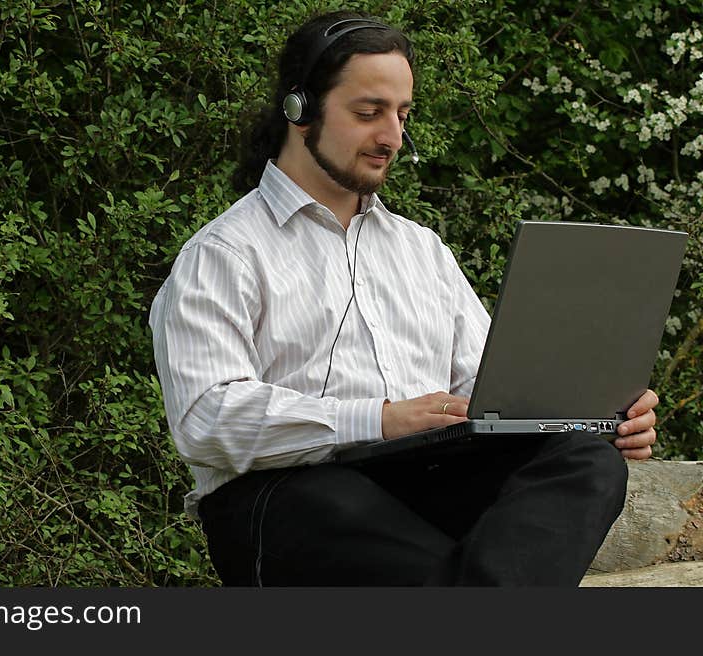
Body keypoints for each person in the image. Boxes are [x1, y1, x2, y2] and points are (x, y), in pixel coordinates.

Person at [148, 10, 659, 586]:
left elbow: (494, 397)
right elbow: (205, 419)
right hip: (288, 495)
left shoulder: (424, 251)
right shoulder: (224, 253)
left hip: (428, 481)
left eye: (401, 114)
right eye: (368, 113)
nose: (392, 136)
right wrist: (379, 420)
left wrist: (592, 418)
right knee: (341, 505)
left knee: (584, 461)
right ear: (301, 110)